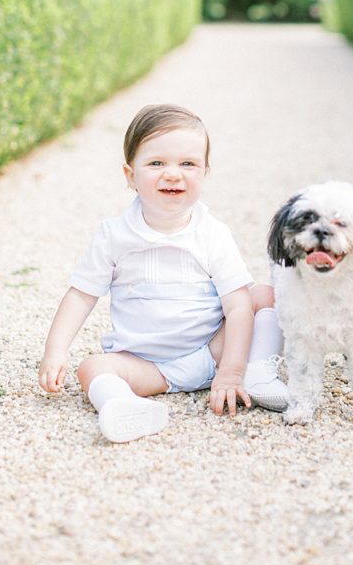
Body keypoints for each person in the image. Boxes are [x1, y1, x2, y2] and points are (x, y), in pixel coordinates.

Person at [38, 103, 288, 443]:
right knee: (93, 367)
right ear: (130, 176)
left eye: (188, 164)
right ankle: (122, 404)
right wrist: (56, 350)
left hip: (213, 350)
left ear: (204, 172)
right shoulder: (114, 236)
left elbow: (237, 306)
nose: (173, 174)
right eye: (156, 163)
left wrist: (230, 371)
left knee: (264, 296)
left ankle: (257, 372)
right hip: (147, 366)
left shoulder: (212, 233)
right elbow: (82, 295)